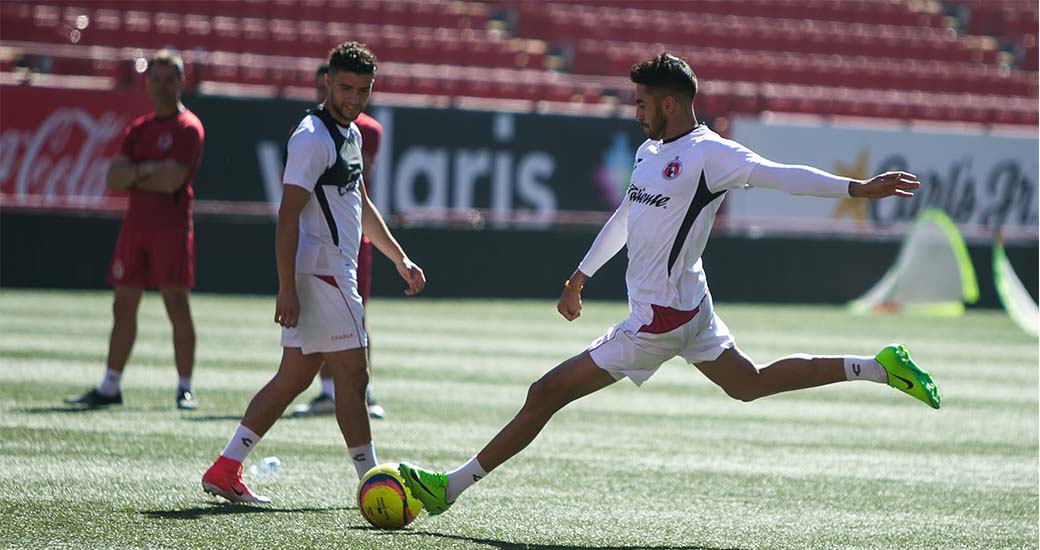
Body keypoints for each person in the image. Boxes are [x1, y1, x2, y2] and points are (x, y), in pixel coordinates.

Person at [397, 53, 942, 515]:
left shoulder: (711, 153)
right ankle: (878, 366)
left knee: (545, 393)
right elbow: (627, 218)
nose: (636, 112)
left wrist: (857, 188)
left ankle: (449, 489)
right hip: (690, 307)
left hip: (658, 322)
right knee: (748, 383)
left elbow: (780, 175)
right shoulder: (649, 152)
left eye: (642, 103)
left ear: (671, 103)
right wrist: (579, 277)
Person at [201, 42, 424, 504]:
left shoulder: (352, 134)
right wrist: (286, 288)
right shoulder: (311, 137)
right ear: (327, 82)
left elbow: (359, 204)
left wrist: (399, 258)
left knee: (293, 378)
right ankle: (372, 480)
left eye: (363, 90)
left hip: (327, 271)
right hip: (323, 272)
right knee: (355, 374)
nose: (354, 98)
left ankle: (225, 467)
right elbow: (287, 218)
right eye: (345, 88)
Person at [65, 49, 205, 411]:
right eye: (155, 80)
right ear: (147, 82)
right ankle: (110, 384)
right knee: (123, 304)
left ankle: (185, 386)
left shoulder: (188, 128)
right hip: (136, 226)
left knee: (176, 302)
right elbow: (114, 176)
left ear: (180, 82)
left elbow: (171, 180)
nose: (161, 87)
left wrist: (138, 173)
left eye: (168, 80)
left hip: (170, 228)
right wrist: (148, 171)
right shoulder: (139, 128)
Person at [292, 64, 386, 420]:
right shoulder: (308, 132)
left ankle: (361, 388)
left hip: (351, 236)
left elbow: (354, 184)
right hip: (318, 243)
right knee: (315, 328)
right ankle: (330, 390)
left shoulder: (361, 133)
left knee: (355, 314)